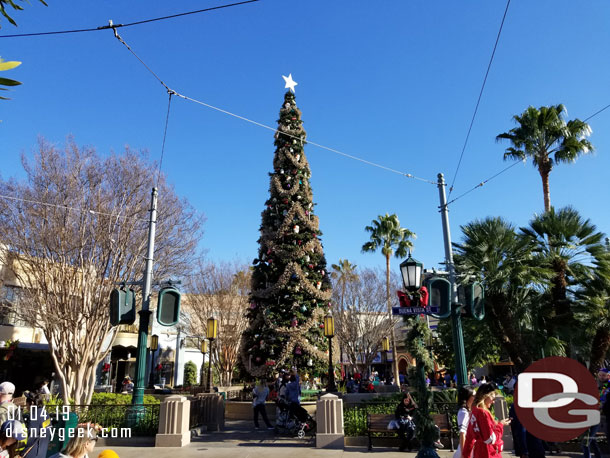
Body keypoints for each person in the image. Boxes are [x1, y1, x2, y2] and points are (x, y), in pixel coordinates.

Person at [462, 382, 511, 458]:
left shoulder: (474, 411)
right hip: (489, 452)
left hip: (479, 452)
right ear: (486, 396)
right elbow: (490, 439)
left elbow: (469, 437)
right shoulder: (483, 413)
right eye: (493, 398)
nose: (493, 401)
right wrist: (500, 425)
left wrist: (466, 455)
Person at [453, 386, 475, 458]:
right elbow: (462, 433)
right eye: (474, 395)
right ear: (468, 397)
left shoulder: (468, 411)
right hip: (466, 448)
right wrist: (464, 454)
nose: (476, 397)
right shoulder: (464, 412)